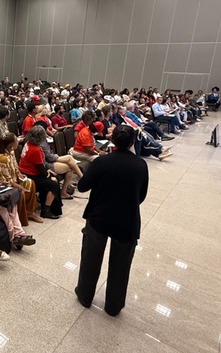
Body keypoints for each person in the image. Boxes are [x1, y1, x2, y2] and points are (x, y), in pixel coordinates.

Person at [75, 125, 148, 316]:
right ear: (132, 142)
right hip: (127, 220)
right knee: (121, 266)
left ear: (113, 141)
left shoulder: (101, 162)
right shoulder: (141, 164)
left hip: (99, 217)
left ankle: (84, 295)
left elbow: (82, 187)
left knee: (90, 259)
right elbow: (141, 196)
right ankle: (113, 306)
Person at [0, 133, 43, 225]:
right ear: (11, 144)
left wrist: (19, 174)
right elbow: (5, 180)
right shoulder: (2, 158)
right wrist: (18, 186)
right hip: (2, 184)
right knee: (20, 192)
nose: (18, 141)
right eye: (16, 140)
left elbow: (15, 167)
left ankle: (29, 212)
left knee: (30, 183)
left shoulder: (11, 152)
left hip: (13, 179)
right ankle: (21, 218)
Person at [19, 126, 63, 219]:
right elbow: (39, 166)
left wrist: (47, 172)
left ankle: (45, 203)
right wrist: (48, 175)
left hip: (25, 171)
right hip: (31, 175)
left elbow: (39, 166)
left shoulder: (27, 143)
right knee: (54, 183)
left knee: (53, 177)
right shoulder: (36, 149)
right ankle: (46, 210)